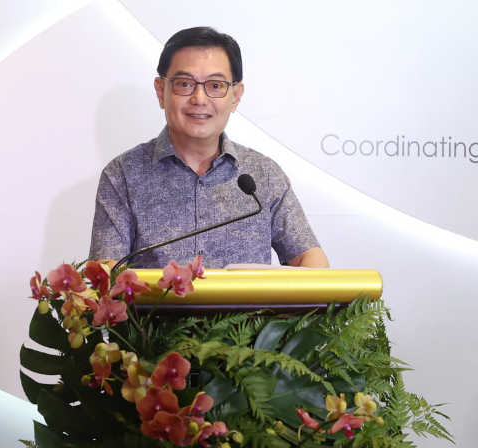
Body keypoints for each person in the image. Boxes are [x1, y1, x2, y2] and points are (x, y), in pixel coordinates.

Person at [88, 27, 329, 270]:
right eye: (184, 83)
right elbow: (106, 273)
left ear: (235, 97)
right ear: (161, 92)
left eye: (215, 86)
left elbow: (310, 259)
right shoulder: (122, 175)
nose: (200, 98)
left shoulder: (263, 175)